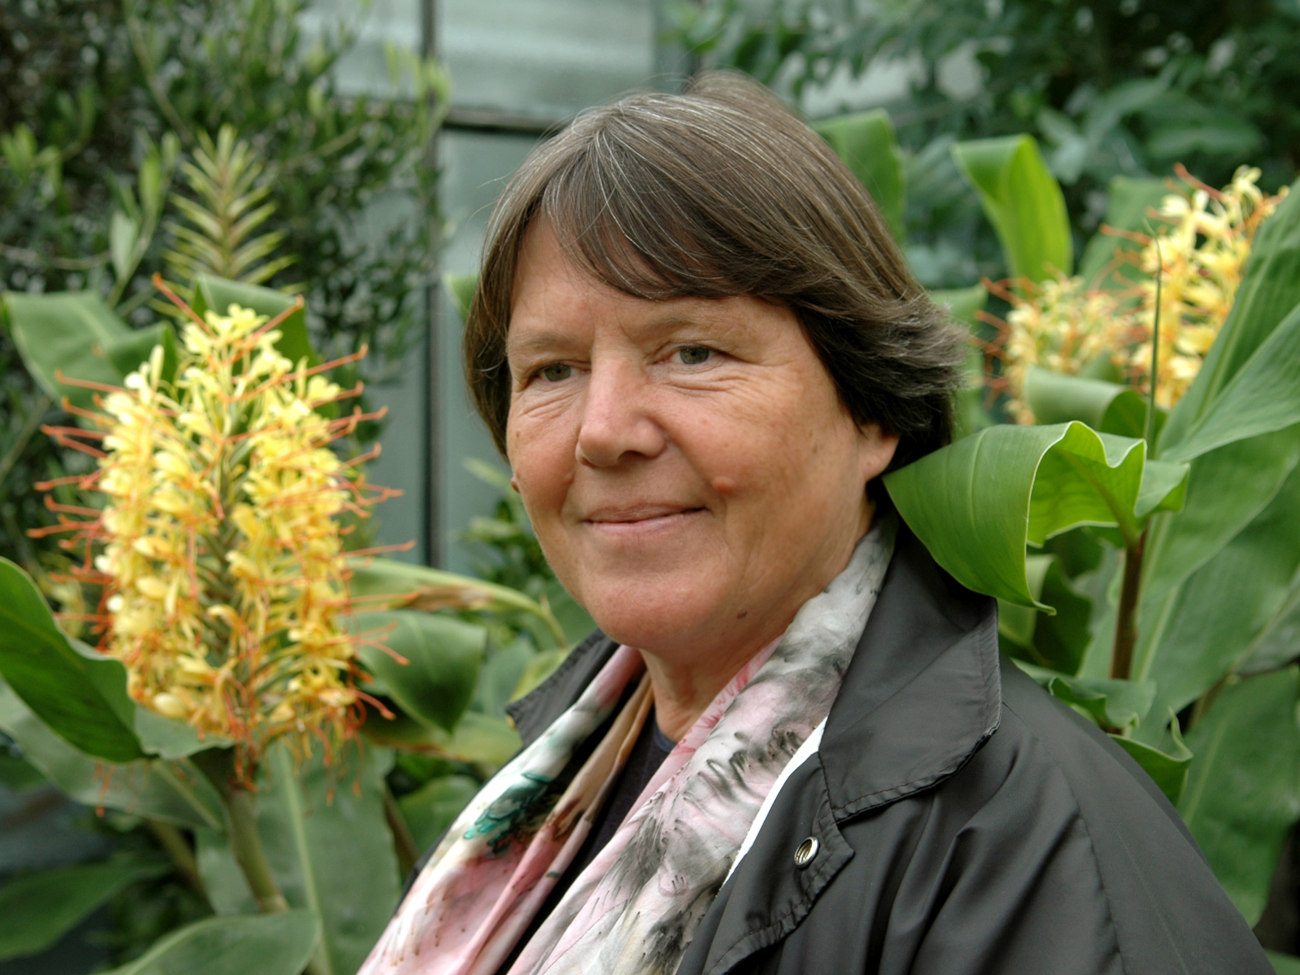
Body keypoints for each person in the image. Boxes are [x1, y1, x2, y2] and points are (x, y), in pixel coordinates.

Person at [358, 73, 1271, 975]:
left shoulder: (1022, 850)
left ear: (871, 410)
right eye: (552, 370)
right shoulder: (565, 777)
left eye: (692, 352)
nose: (603, 431)